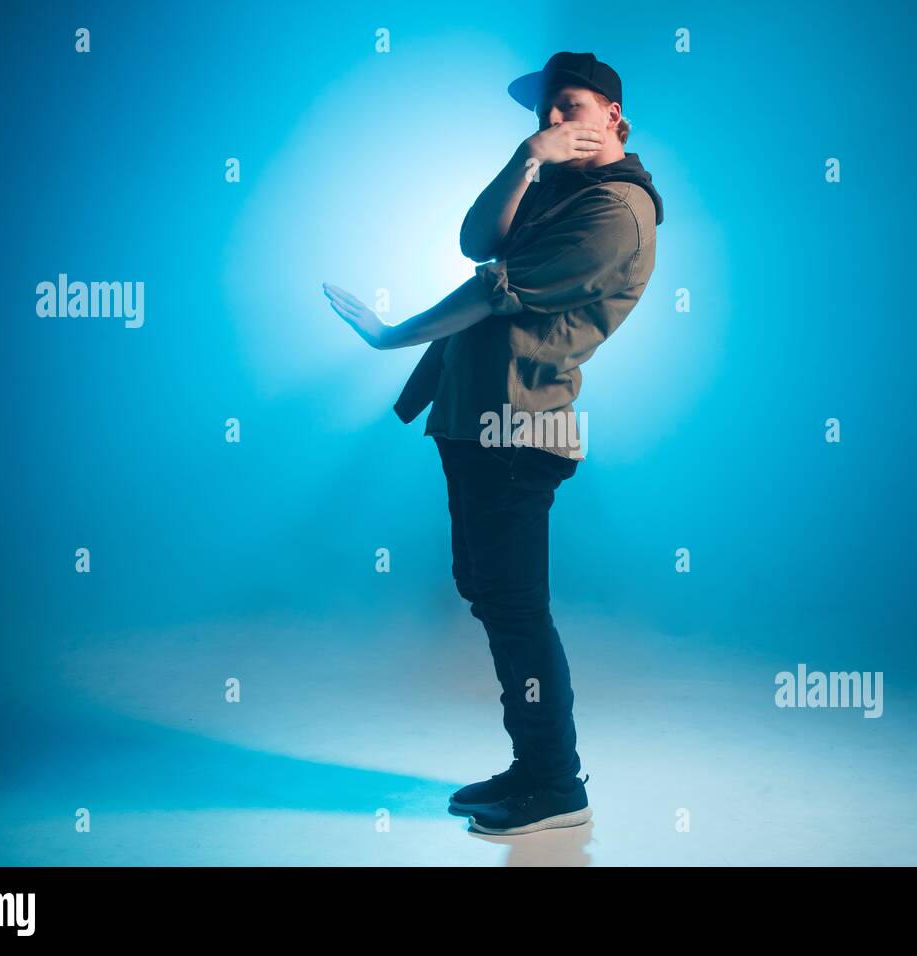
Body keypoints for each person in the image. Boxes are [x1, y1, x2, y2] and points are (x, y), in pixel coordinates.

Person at [323, 51, 663, 835]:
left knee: (515, 606)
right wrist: (522, 162)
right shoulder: (554, 184)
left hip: (519, 425)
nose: (552, 120)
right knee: (489, 592)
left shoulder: (615, 211)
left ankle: (556, 786)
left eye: (569, 105)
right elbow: (480, 241)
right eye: (544, 110)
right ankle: (531, 765)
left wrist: (391, 336)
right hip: (476, 419)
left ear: (614, 114)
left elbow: (491, 288)